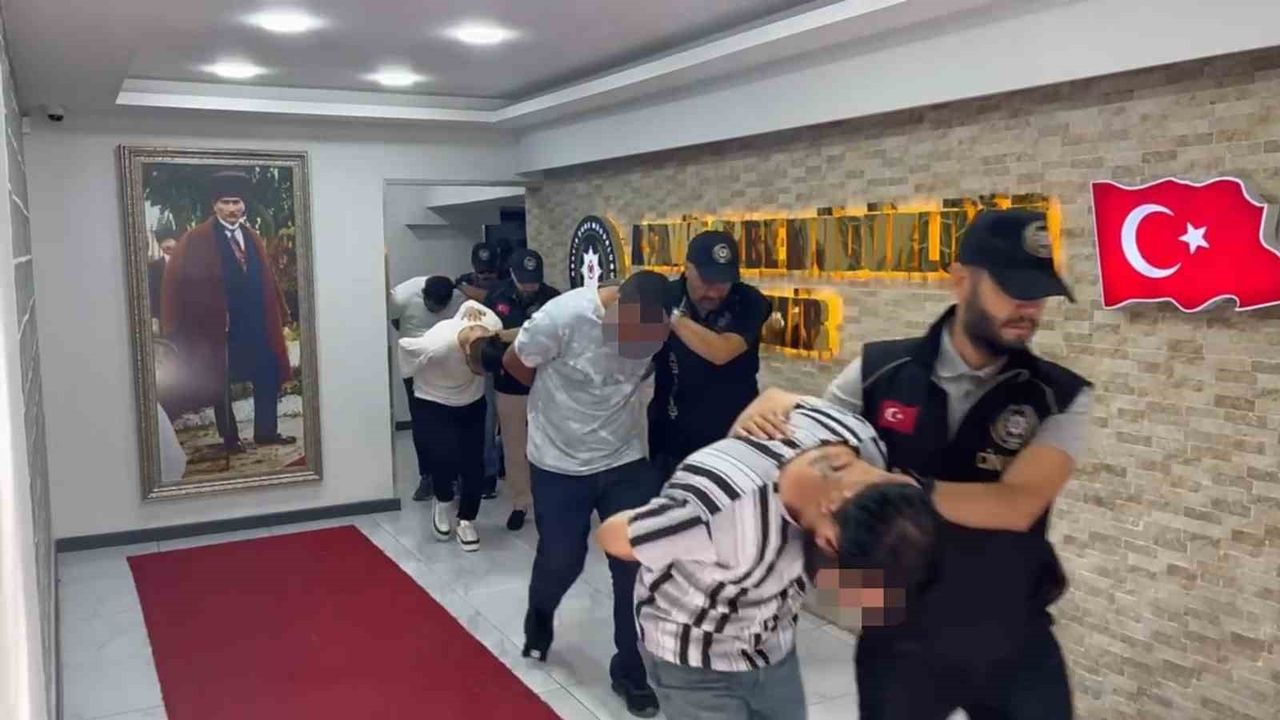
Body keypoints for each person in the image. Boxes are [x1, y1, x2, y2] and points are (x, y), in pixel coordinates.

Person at [734, 208, 1090, 720]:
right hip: (900, 639)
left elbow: (1017, 504)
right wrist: (782, 403)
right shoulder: (880, 370)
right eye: (1013, 288)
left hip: (1013, 636)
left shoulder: (1059, 395)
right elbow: (812, 451)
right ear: (961, 280)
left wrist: (892, 483)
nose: (1027, 308)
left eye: (1038, 294)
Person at [597, 397, 938, 720]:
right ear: (829, 538)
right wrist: (667, 524)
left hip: (772, 645)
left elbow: (781, 395)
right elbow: (612, 536)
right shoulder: (718, 510)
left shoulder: (860, 439)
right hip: (692, 659)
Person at [501, 270, 670, 717]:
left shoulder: (662, 328)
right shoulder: (563, 317)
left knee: (633, 566)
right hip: (559, 462)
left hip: (625, 460)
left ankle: (629, 669)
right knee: (563, 558)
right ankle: (540, 614)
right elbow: (515, 364)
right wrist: (553, 412)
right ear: (614, 308)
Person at [160, 170, 294, 454]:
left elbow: (268, 278)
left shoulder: (252, 237)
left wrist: (279, 313)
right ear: (215, 205)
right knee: (220, 380)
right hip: (217, 326)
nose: (232, 208)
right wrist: (178, 324)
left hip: (255, 323)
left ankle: (266, 432)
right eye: (226, 202)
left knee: (267, 371)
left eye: (237, 202)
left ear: (244, 205)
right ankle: (230, 438)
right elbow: (176, 282)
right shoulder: (197, 239)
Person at [648, 230, 773, 478]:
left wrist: (672, 317)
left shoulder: (749, 301)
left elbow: (721, 352)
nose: (714, 292)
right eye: (706, 281)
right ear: (687, 268)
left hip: (733, 435)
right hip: (670, 437)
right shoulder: (667, 295)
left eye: (723, 282)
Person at [397, 300, 502, 552]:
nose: (480, 374)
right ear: (465, 352)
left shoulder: (492, 326)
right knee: (443, 457)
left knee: (474, 464)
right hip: (433, 400)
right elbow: (404, 348)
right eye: (476, 369)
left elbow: (471, 303)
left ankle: (467, 519)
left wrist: (468, 309)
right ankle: (442, 500)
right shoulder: (436, 345)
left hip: (472, 402)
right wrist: (413, 389)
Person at [483, 248, 560, 530]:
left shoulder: (553, 299)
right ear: (513, 275)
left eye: (534, 280)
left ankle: (551, 500)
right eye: (525, 280)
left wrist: (508, 336)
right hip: (509, 384)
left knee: (550, 445)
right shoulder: (496, 297)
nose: (530, 286)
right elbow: (487, 336)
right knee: (515, 446)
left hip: (547, 383)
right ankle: (520, 502)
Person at [389, 275, 463, 501]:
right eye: (431, 307)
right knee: (422, 423)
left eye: (441, 308)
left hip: (447, 365)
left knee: (450, 421)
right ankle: (427, 476)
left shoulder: (458, 298)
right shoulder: (401, 297)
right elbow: (393, 320)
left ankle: (451, 476)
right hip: (415, 367)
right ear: (423, 296)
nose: (436, 311)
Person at [455, 241, 505, 496]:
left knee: (493, 421)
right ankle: (475, 472)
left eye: (490, 272)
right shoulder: (460, 285)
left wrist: (466, 290)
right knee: (474, 422)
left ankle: (489, 473)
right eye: (481, 272)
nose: (486, 276)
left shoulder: (505, 286)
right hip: (466, 361)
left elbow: (491, 297)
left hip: (498, 360)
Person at [148, 224, 179, 325]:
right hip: (164, 317)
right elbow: (153, 292)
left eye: (170, 241)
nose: (168, 245)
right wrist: (154, 317)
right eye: (164, 242)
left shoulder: (187, 262)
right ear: (159, 245)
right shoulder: (154, 267)